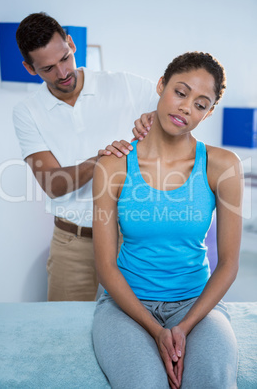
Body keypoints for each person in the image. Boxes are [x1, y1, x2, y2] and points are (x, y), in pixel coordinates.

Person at [92, 52, 243, 388]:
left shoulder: (223, 165)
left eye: (201, 104)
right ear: (161, 86)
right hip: (125, 306)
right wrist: (157, 330)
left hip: (196, 305)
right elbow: (104, 265)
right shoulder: (114, 164)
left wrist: (183, 327)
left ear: (208, 113)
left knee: (213, 382)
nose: (187, 107)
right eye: (180, 92)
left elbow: (229, 263)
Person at [13, 12, 159, 302]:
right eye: (48, 68)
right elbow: (53, 185)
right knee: (64, 337)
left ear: (71, 44)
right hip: (72, 246)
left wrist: (154, 117)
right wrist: (102, 160)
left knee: (130, 332)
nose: (63, 73)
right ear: (30, 69)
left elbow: (179, 107)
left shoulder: (124, 85)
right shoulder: (27, 112)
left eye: (65, 58)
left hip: (128, 242)